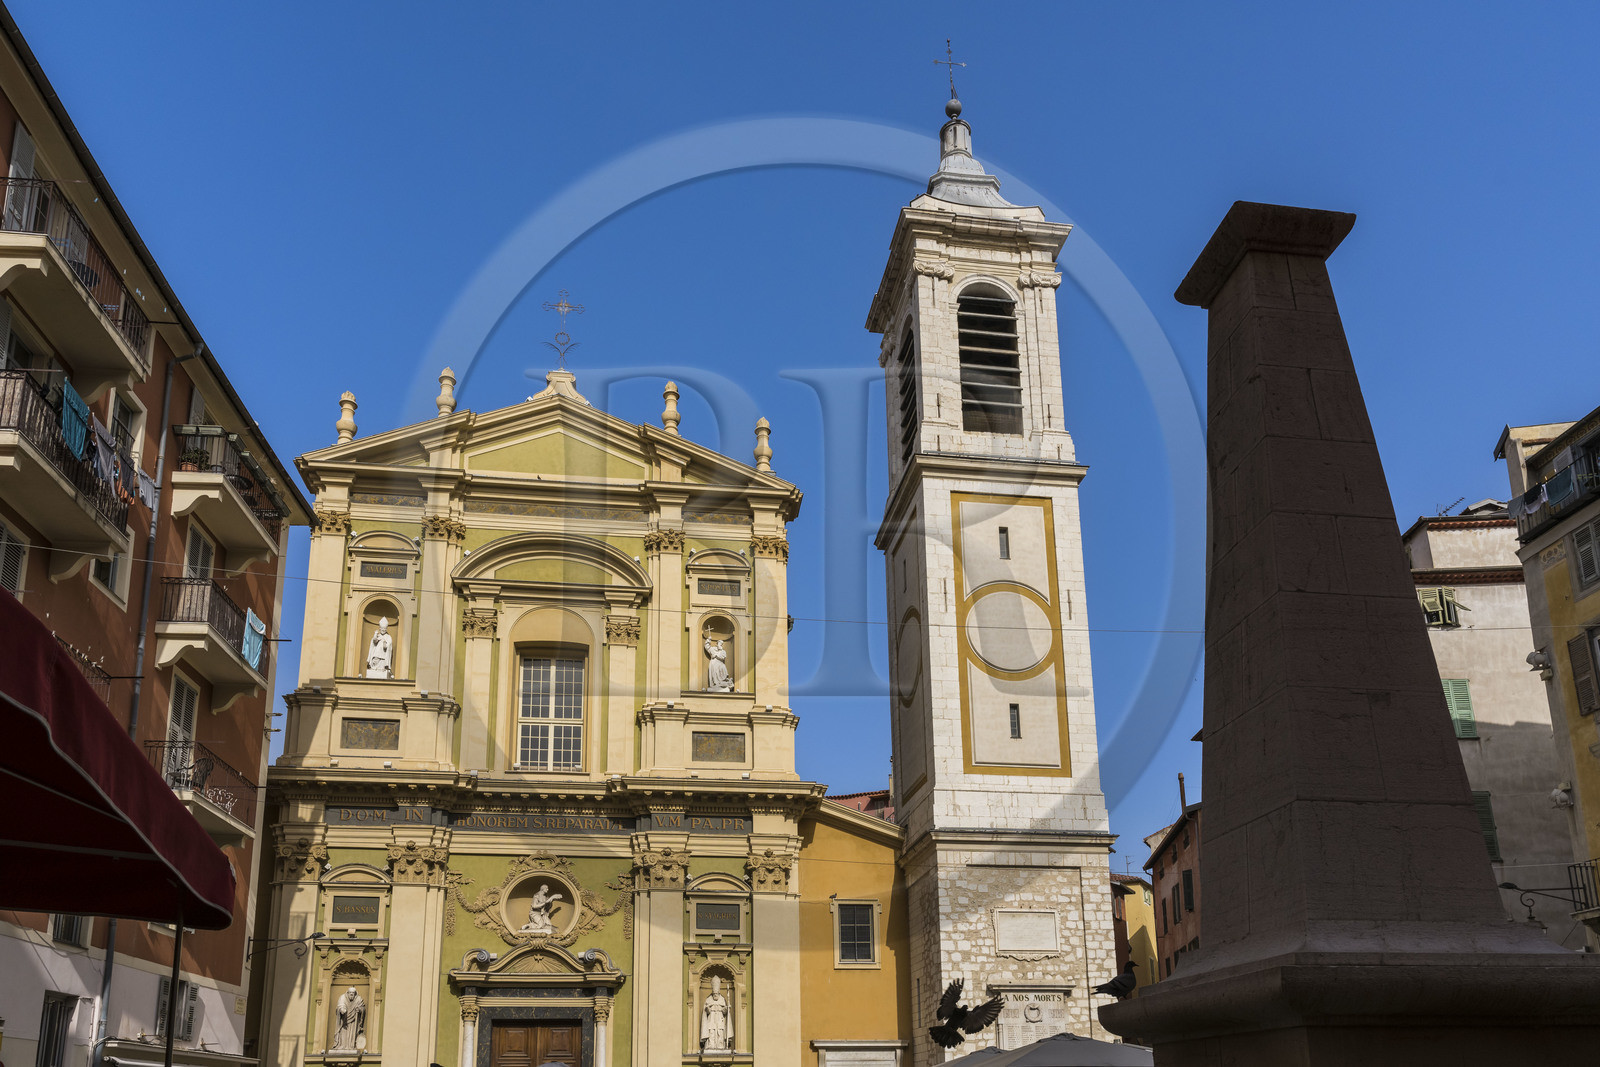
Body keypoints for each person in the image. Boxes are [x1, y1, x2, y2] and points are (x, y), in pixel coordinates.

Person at [700, 975, 730, 1051]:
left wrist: (726, 1008)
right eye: (714, 994)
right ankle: (711, 1046)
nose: (715, 996)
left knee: (720, 1032)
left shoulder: (722, 999)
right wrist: (707, 1009)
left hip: (720, 1019)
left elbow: (725, 1012)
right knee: (711, 1032)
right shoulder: (708, 999)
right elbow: (706, 1012)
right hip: (711, 1019)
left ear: (719, 992)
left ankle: (720, 1046)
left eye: (716, 994)